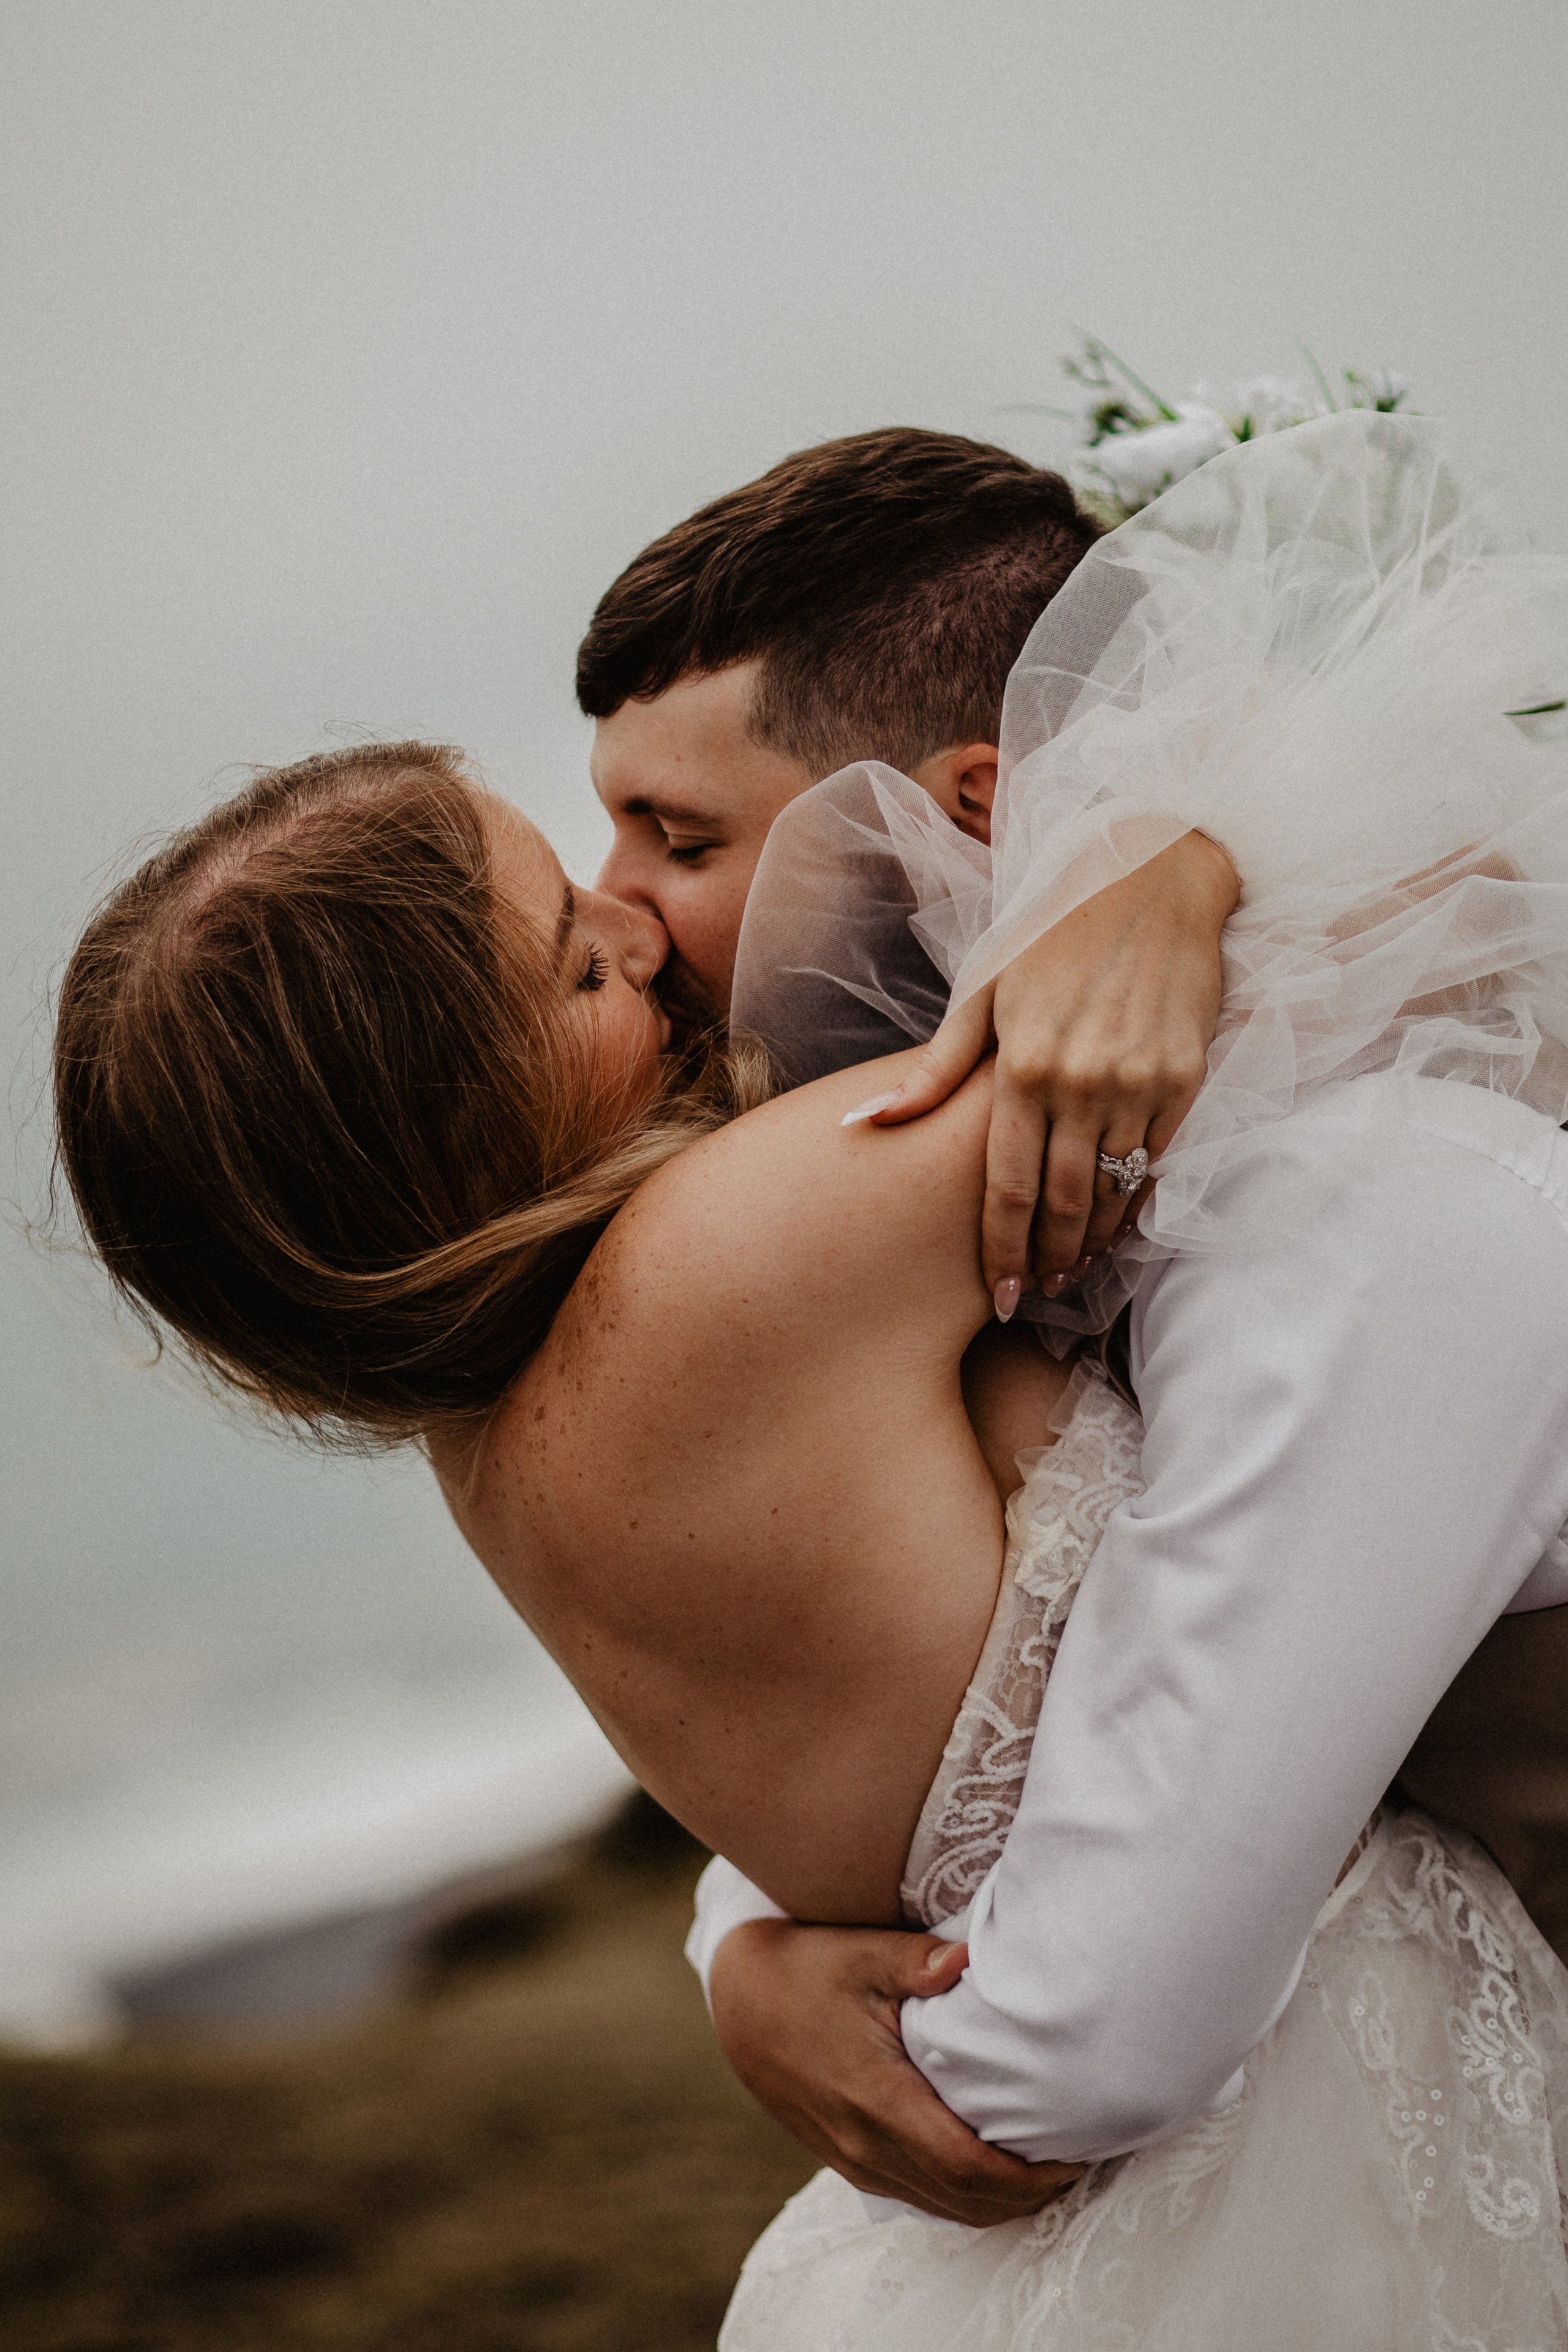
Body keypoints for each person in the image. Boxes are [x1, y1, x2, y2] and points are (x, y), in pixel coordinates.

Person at [49, 705, 1568, 2343]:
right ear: (460, 1125)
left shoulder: (490, 1445)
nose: (641, 929)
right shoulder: (739, 1248)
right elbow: (1309, 986)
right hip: (1302, 2125)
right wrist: (1168, 874)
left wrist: (741, 1953)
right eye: (572, 964)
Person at [576, 413, 1568, 2233]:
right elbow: (978, 1667)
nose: (621, 922)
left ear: (965, 814)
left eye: (677, 836)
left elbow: (1086, 2030)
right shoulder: (954, 1231)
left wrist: (808, 1965)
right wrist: (742, 1941)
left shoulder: (1351, 1211)